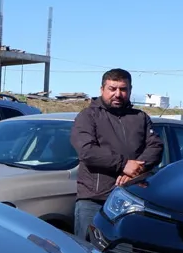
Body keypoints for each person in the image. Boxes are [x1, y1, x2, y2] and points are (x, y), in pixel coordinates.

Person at [70, 68, 164, 240]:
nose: (118, 94)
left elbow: (156, 147)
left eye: (123, 89)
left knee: (125, 251)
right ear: (102, 90)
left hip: (131, 200)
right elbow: (87, 151)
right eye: (112, 89)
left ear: (130, 90)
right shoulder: (88, 116)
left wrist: (135, 170)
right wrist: (124, 164)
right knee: (90, 252)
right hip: (95, 199)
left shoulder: (140, 117)